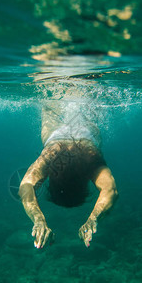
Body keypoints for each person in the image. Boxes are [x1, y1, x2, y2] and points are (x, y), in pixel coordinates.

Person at [18, 99, 119, 248]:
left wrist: (39, 220)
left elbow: (110, 190)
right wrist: (93, 219)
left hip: (83, 130)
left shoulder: (90, 161)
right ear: (51, 181)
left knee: (85, 102)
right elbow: (25, 186)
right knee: (51, 101)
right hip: (53, 130)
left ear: (84, 185)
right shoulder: (51, 157)